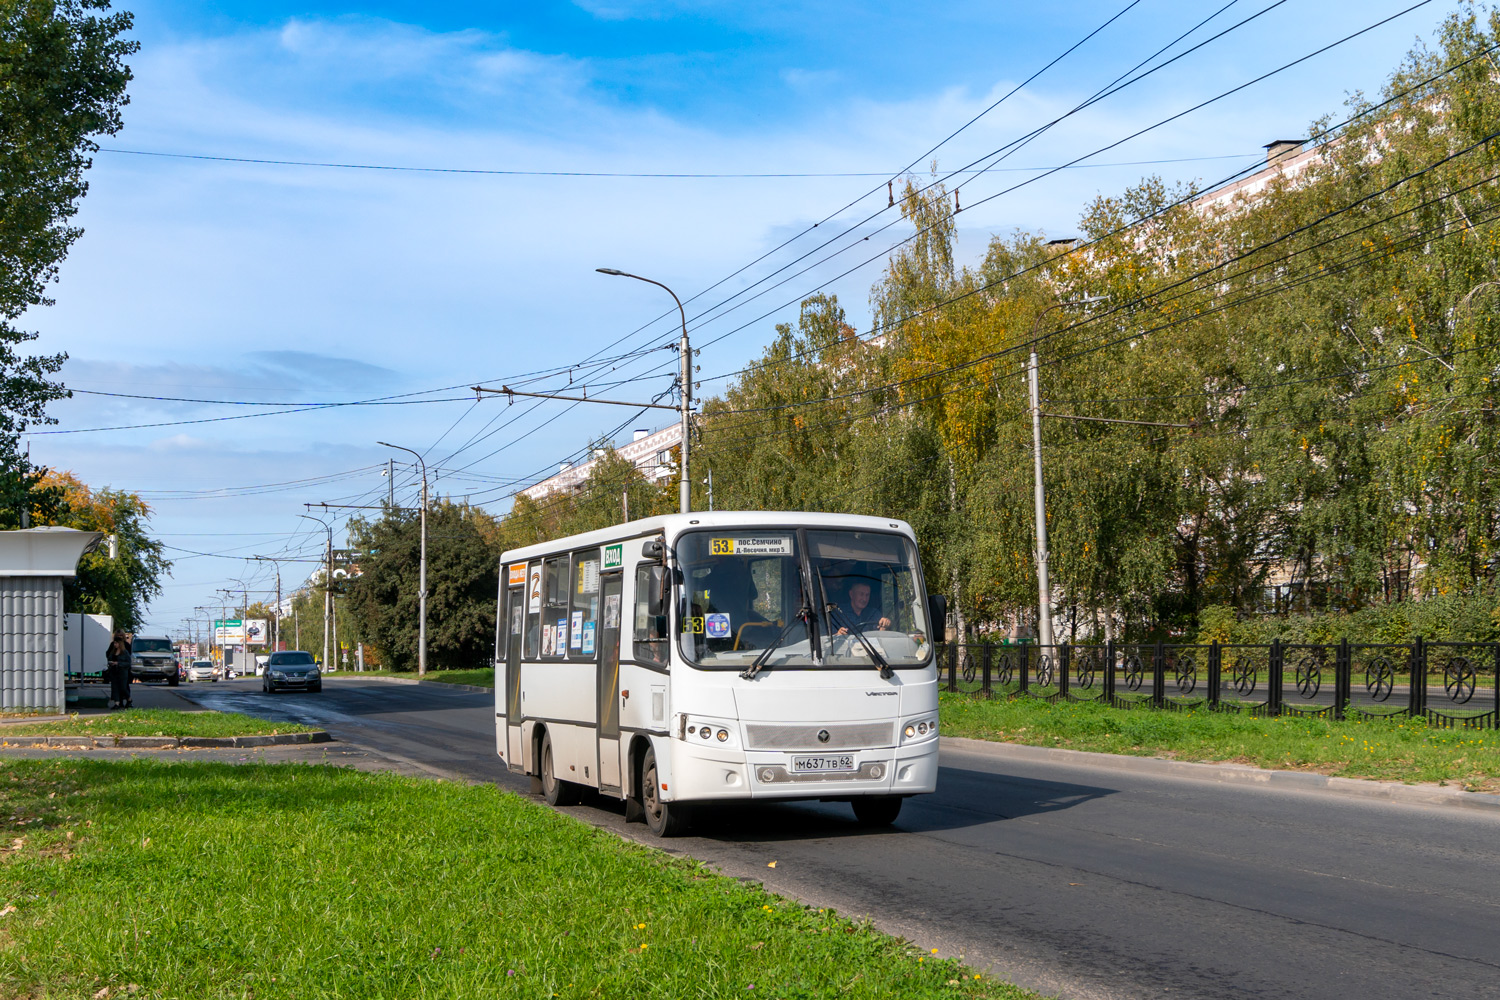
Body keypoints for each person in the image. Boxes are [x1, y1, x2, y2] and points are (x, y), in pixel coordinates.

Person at [106, 631, 133, 709]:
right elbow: (108, 656)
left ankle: (129, 700)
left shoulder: (124, 652)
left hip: (122, 672)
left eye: (116, 643)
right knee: (115, 687)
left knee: (123, 687)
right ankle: (117, 703)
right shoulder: (113, 651)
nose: (115, 645)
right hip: (114, 672)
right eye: (114, 643)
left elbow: (128, 662)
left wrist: (118, 663)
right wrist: (111, 663)